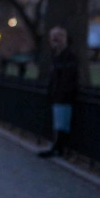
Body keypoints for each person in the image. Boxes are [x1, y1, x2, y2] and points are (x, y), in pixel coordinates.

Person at [38, 26, 78, 158]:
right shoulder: (56, 56)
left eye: (59, 36)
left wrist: (62, 93)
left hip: (64, 96)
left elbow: (68, 78)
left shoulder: (69, 56)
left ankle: (59, 147)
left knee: (62, 123)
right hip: (57, 96)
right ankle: (58, 147)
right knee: (59, 122)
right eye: (53, 36)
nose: (55, 39)